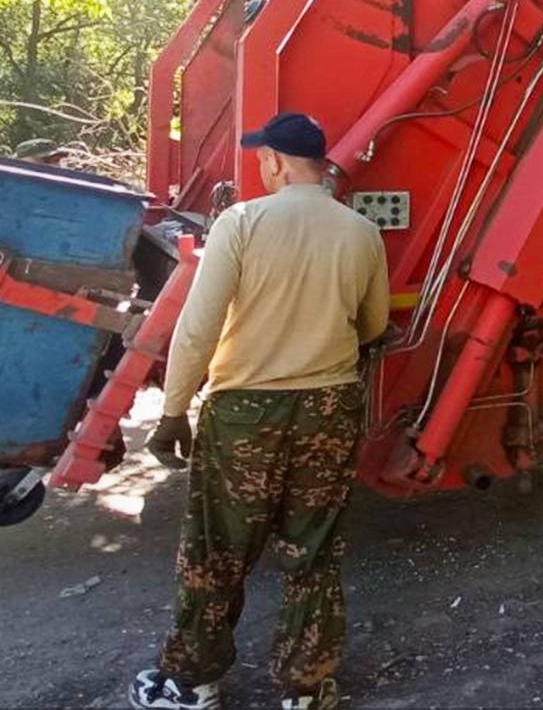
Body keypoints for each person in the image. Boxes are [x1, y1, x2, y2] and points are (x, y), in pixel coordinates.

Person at [130, 111, 389, 710]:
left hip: (245, 412)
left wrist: (173, 413)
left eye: (260, 159)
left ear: (273, 161)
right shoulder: (360, 232)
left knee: (217, 548)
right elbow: (373, 325)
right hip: (330, 406)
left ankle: (193, 684)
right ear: (320, 165)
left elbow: (198, 329)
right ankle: (305, 688)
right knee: (314, 551)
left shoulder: (241, 223)